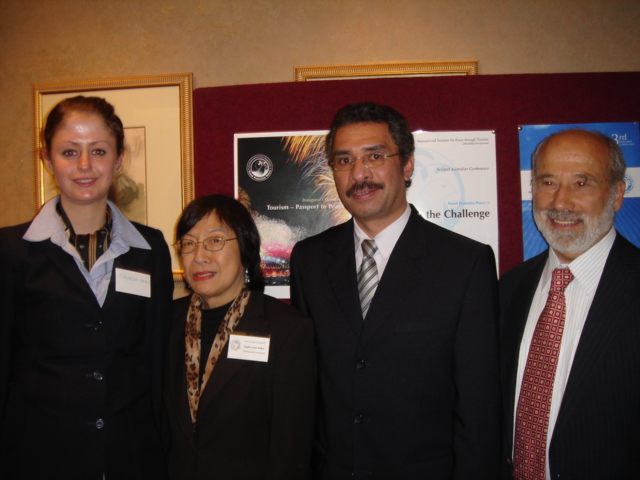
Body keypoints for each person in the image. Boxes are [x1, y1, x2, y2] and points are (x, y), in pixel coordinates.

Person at [290, 102, 501, 479]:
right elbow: (305, 386)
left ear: (407, 165)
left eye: (374, 156)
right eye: (344, 160)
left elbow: (479, 405)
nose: (359, 174)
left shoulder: (464, 263)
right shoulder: (309, 260)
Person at [0, 96, 173, 479]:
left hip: (129, 454)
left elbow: (155, 358)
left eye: (98, 151)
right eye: (69, 152)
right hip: (38, 455)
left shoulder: (150, 248)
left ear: (119, 159)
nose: (84, 165)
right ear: (47, 160)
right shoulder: (10, 251)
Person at [500, 128, 640, 479]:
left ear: (617, 194)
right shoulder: (508, 289)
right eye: (547, 182)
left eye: (581, 183)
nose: (560, 203)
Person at [164, 194, 316, 480]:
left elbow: (291, 447)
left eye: (215, 240)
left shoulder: (286, 330)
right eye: (189, 243)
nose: (199, 256)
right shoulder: (166, 322)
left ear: (245, 248)